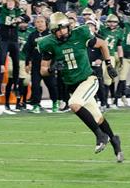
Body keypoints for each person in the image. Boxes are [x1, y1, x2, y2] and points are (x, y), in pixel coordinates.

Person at [38, 12, 123, 160]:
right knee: (97, 118)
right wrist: (51, 69)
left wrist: (108, 65)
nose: (60, 33)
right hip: (72, 86)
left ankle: (100, 136)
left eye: (62, 29)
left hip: (88, 79)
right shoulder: (48, 43)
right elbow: (43, 70)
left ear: (68, 27)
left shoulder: (80, 34)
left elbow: (102, 44)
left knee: (74, 104)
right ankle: (114, 140)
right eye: (56, 31)